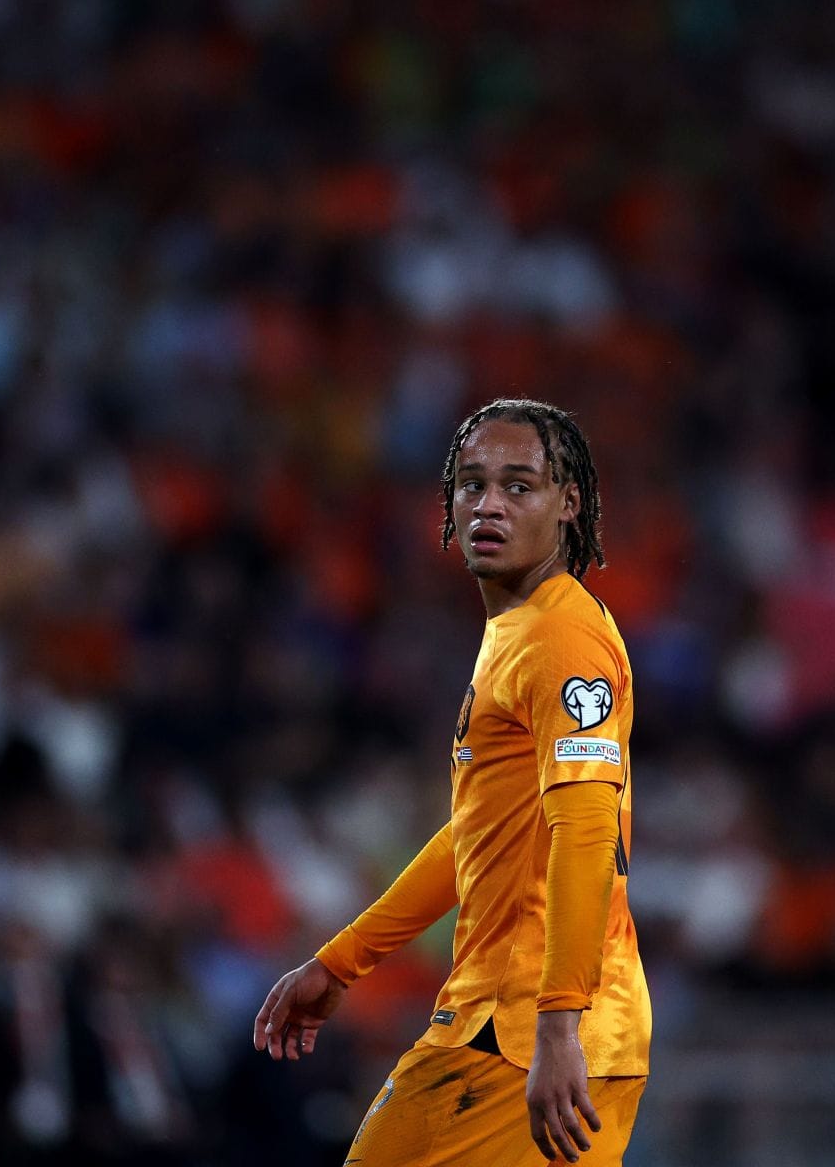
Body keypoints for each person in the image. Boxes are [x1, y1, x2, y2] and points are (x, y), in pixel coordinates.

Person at [252, 399, 650, 1165]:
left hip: (520, 1037)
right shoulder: (523, 630)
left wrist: (557, 1024)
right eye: (471, 484)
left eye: (519, 485)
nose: (489, 504)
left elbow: (588, 830)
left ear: (570, 504)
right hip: (535, 1029)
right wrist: (342, 962)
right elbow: (479, 837)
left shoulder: (558, 639)